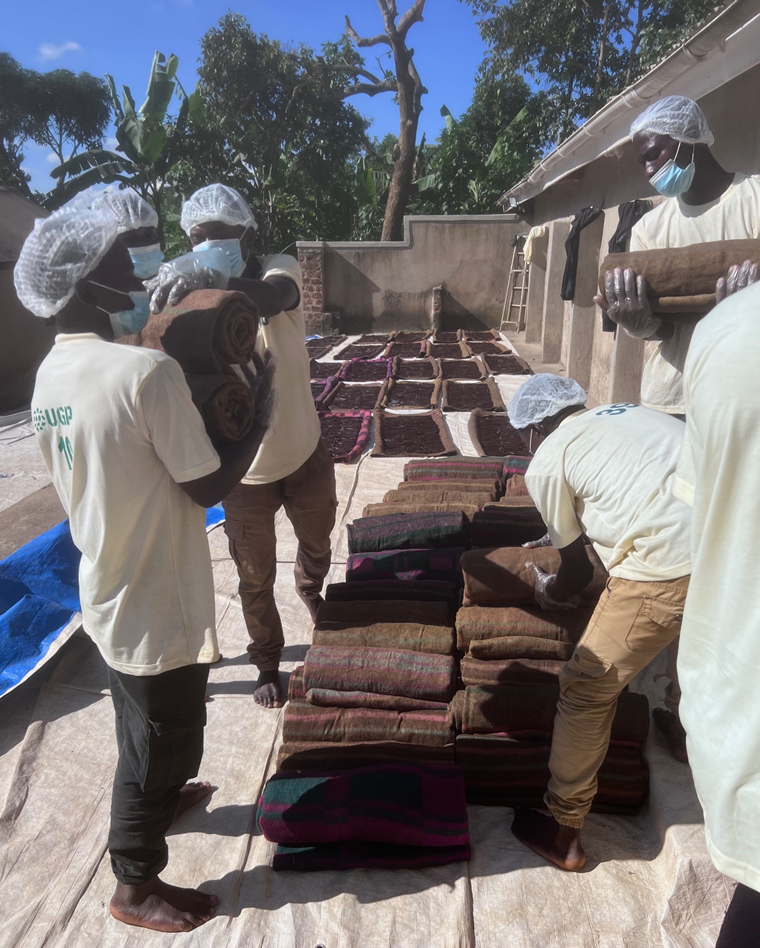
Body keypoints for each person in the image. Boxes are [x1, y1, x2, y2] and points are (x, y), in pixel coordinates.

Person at [15, 206, 271, 932]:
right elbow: (207, 487)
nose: (141, 278)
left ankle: (165, 798)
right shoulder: (143, 372)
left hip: (110, 576)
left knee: (156, 722)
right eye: (124, 265)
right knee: (155, 742)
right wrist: (260, 415)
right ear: (86, 282)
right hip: (156, 588)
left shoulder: (50, 379)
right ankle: (134, 880)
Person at [593, 94, 760, 759]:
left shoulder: (752, 200)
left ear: (688, 143)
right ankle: (670, 696)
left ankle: (717, 702)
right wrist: (637, 321)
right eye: (642, 159)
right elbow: (655, 320)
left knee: (735, 559)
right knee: (678, 557)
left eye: (655, 153)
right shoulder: (652, 231)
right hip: (676, 406)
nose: (649, 169)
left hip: (743, 405)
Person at [147, 184, 337, 709]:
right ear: (188, 238)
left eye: (222, 236)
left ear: (245, 232)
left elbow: (274, 297)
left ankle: (310, 585)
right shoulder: (188, 292)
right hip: (243, 473)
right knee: (253, 574)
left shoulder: (279, 268)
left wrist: (214, 282)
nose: (211, 244)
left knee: (318, 539)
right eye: (201, 238)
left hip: (303, 452)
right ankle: (267, 661)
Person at [504, 374, 691, 872]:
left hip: (663, 567)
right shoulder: (635, 412)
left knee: (587, 688)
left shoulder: (547, 458)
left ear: (534, 428)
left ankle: (564, 832)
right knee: (700, 643)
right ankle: (684, 727)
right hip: (736, 541)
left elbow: (578, 571)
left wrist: (549, 590)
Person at [673, 276, 760, 946]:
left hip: (736, 703)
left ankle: (566, 815)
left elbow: (694, 520)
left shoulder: (726, 329)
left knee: (589, 687)